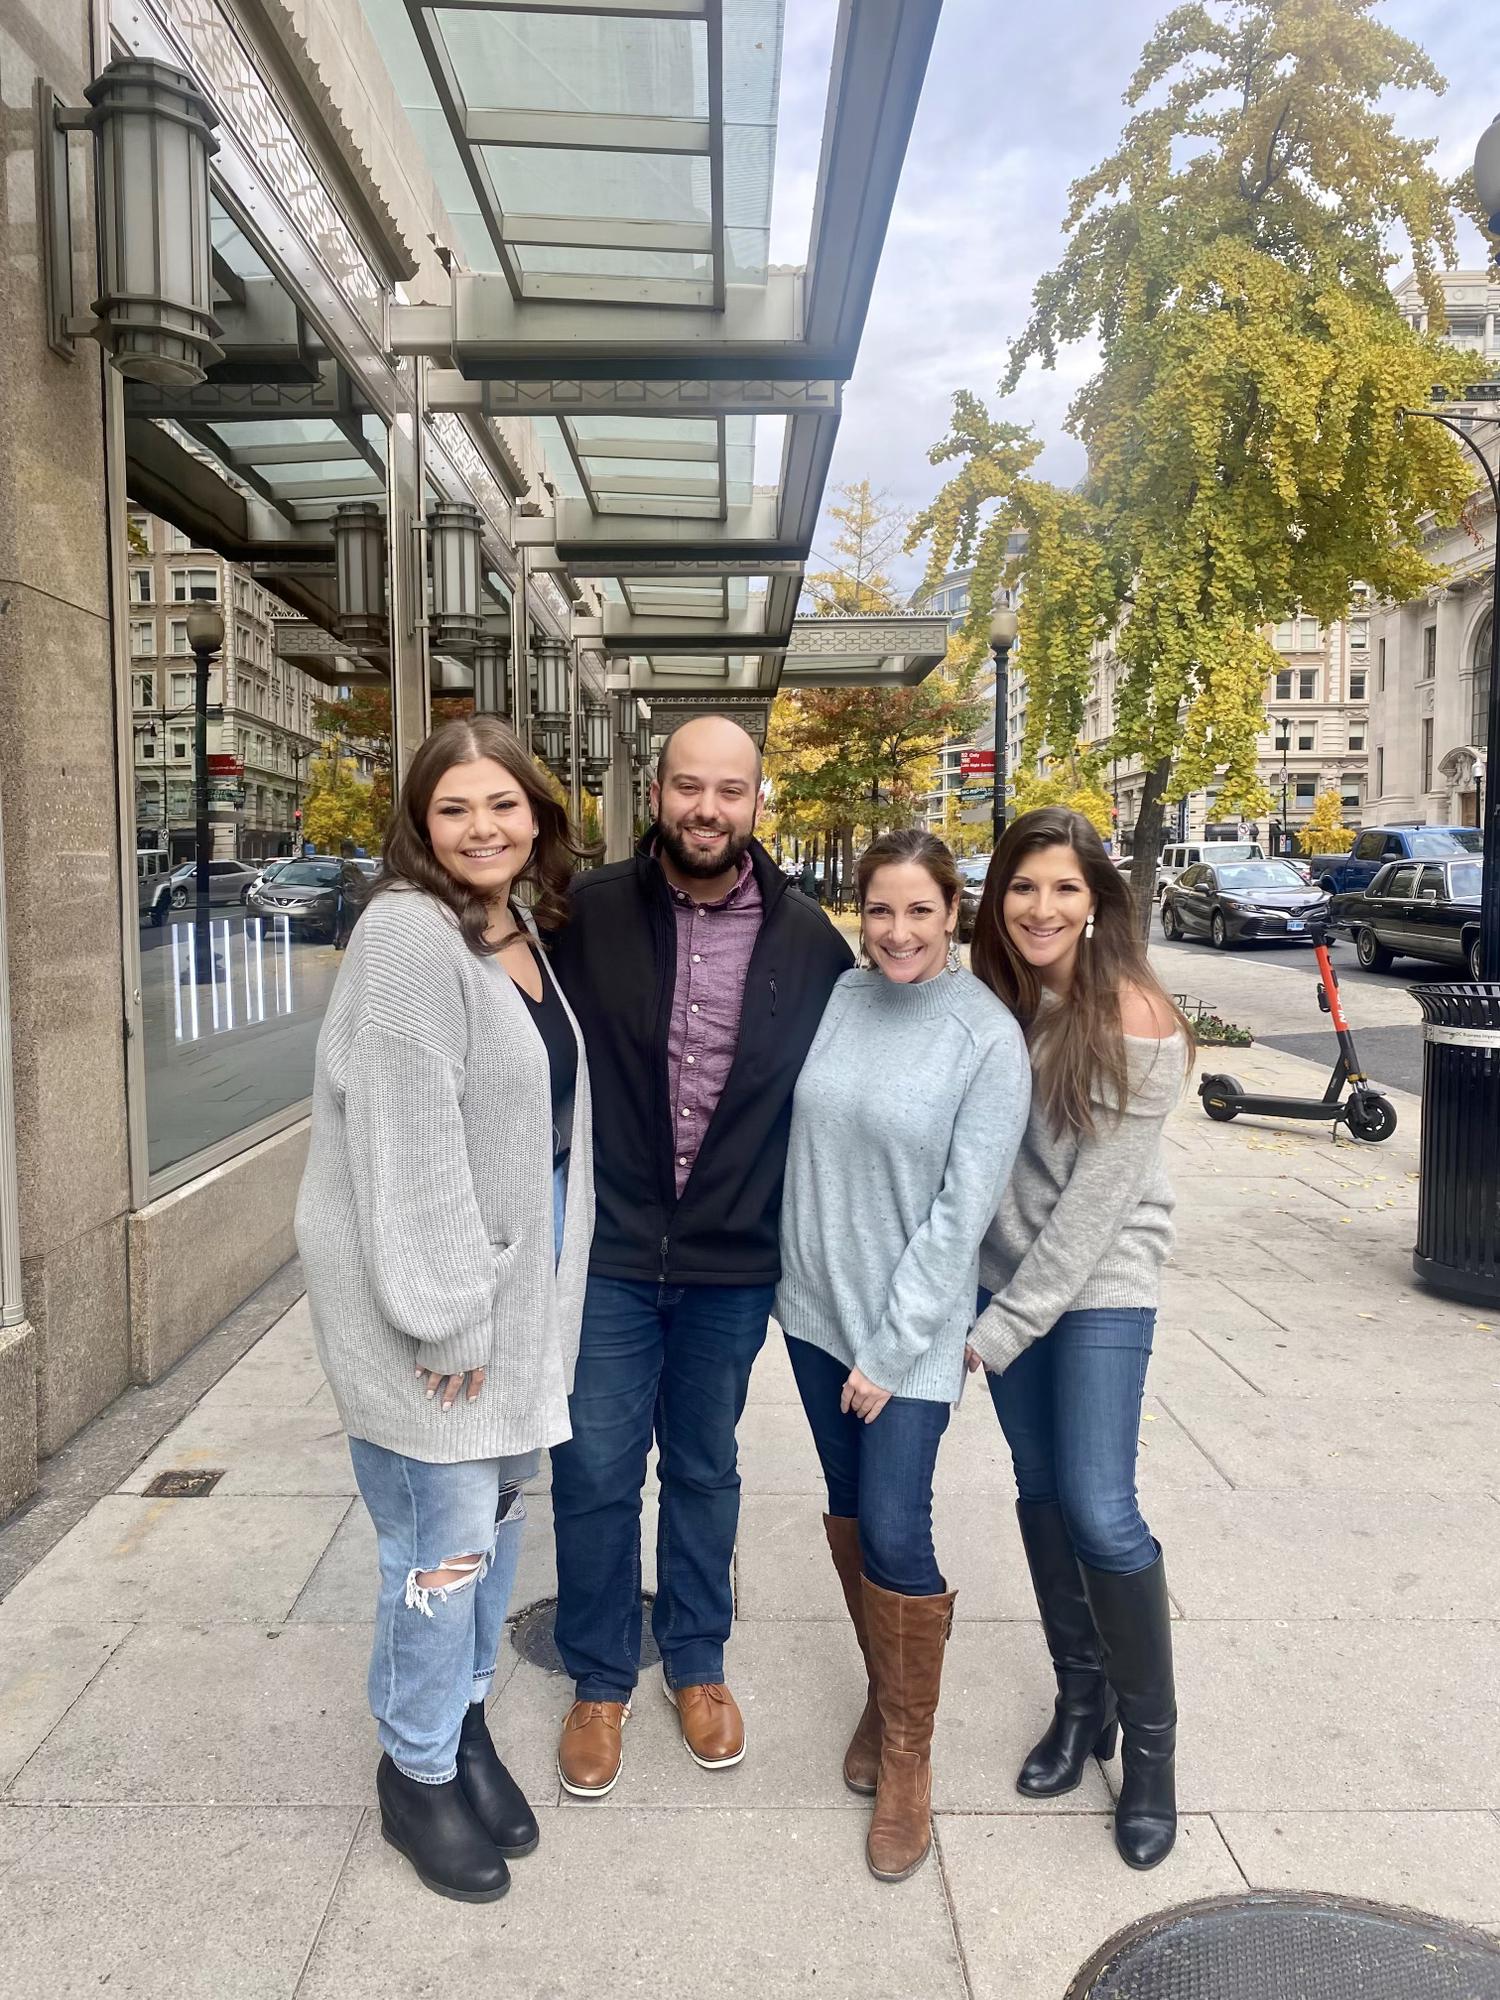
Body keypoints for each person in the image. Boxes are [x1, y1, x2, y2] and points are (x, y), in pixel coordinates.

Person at [294, 716, 596, 1904]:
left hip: (509, 1296)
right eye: (457, 808)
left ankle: (462, 1727)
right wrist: (450, 1318)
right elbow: (410, 1142)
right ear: (421, 824)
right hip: (434, 1313)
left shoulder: (515, 926)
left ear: (539, 815)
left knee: (500, 1521)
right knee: (443, 1547)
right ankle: (414, 1768)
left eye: (504, 805)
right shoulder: (409, 936)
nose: (484, 827)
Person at [546, 715, 852, 1798]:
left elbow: (850, 1097)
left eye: (729, 789)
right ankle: (595, 1673)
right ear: (660, 795)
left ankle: (698, 1657)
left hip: (732, 1262)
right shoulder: (584, 914)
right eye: (688, 785)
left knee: (706, 1464)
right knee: (590, 1466)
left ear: (756, 802)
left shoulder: (811, 941)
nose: (706, 808)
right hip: (611, 1252)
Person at [777, 829, 1030, 1883]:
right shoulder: (841, 995)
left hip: (906, 1334)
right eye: (880, 910)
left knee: (894, 1521)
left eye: (919, 911)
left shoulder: (985, 1037)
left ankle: (910, 1756)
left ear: (954, 911)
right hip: (811, 1309)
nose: (897, 932)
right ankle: (886, 1700)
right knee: (847, 1506)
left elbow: (961, 1213)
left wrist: (889, 1348)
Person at [965, 806, 1191, 1871]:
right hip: (1007, 1277)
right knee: (1042, 1488)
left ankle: (1151, 1754)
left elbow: (1094, 1215)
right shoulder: (997, 1004)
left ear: (1098, 900)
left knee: (1102, 1507)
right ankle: (1078, 1701)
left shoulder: (1136, 1019)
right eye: (1022, 886)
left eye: (1063, 888)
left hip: (1096, 1283)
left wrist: (998, 1330)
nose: (1041, 907)